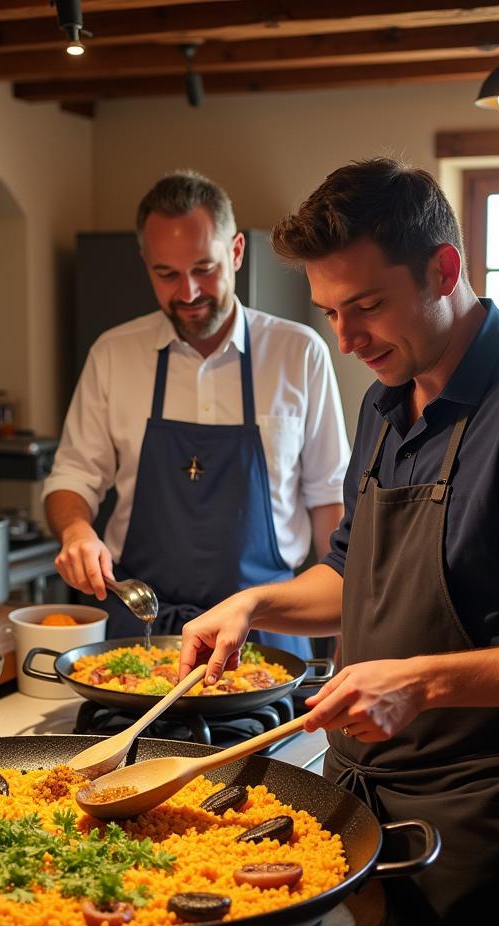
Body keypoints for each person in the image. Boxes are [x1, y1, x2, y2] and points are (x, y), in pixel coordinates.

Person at [180, 157, 499, 926]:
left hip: (484, 822)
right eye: (330, 312)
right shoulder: (385, 401)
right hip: (363, 807)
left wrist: (423, 681)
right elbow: (350, 574)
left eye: (365, 306)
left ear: (443, 270)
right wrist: (255, 604)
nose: (345, 337)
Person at [43, 170, 349, 652]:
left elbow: (329, 498)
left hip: (268, 629)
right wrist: (77, 529)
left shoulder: (299, 353)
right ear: (145, 264)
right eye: (166, 274)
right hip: (144, 627)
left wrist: (342, 622)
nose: (187, 292)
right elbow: (72, 476)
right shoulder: (114, 353)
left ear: (237, 252)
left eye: (204, 269)